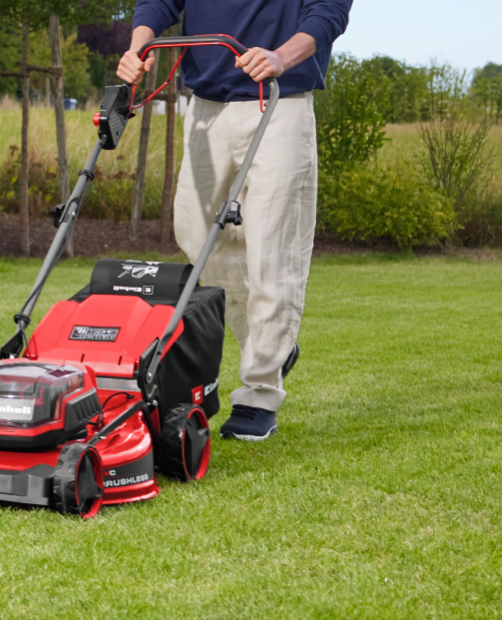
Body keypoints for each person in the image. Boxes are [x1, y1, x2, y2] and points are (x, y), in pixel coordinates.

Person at [118, 0, 350, 441]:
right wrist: (138, 46)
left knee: (273, 250)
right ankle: (273, 346)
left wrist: (281, 56)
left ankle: (259, 394)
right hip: (206, 107)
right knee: (197, 236)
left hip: (280, 100)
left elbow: (328, 12)